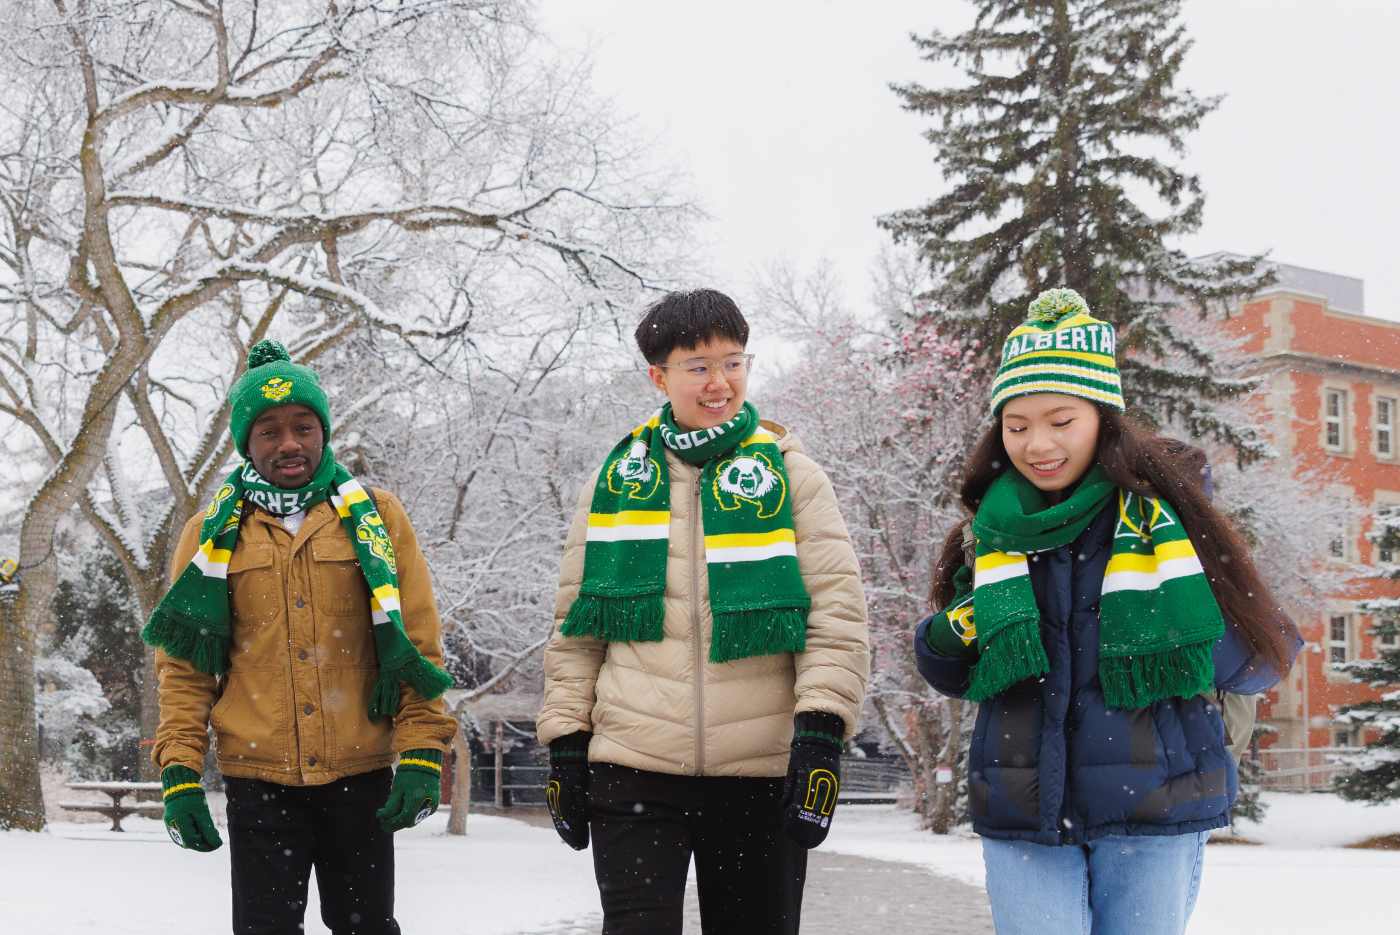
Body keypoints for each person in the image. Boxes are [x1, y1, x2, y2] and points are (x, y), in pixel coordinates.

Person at [913, 289, 1301, 935]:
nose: (1037, 443)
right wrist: (954, 630)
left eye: (1060, 420)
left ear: (1103, 417)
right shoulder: (990, 531)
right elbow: (950, 669)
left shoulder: (1168, 524)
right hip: (1024, 805)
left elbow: (1262, 661)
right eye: (1017, 424)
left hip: (1155, 806)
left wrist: (1188, 620)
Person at [536, 289, 870, 935]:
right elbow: (577, 631)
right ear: (658, 376)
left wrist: (821, 734)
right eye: (698, 366)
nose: (720, 382)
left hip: (758, 768)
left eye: (734, 361)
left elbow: (836, 616)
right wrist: (567, 744)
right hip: (632, 764)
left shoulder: (794, 477)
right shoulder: (616, 483)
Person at [143, 340, 456, 935]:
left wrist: (422, 749)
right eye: (269, 431)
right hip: (258, 780)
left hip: (359, 775)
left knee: (366, 927)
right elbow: (184, 668)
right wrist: (179, 770)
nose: (289, 443)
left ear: (323, 432)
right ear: (246, 442)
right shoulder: (209, 536)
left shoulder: (377, 517)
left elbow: (416, 642)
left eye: (302, 427)